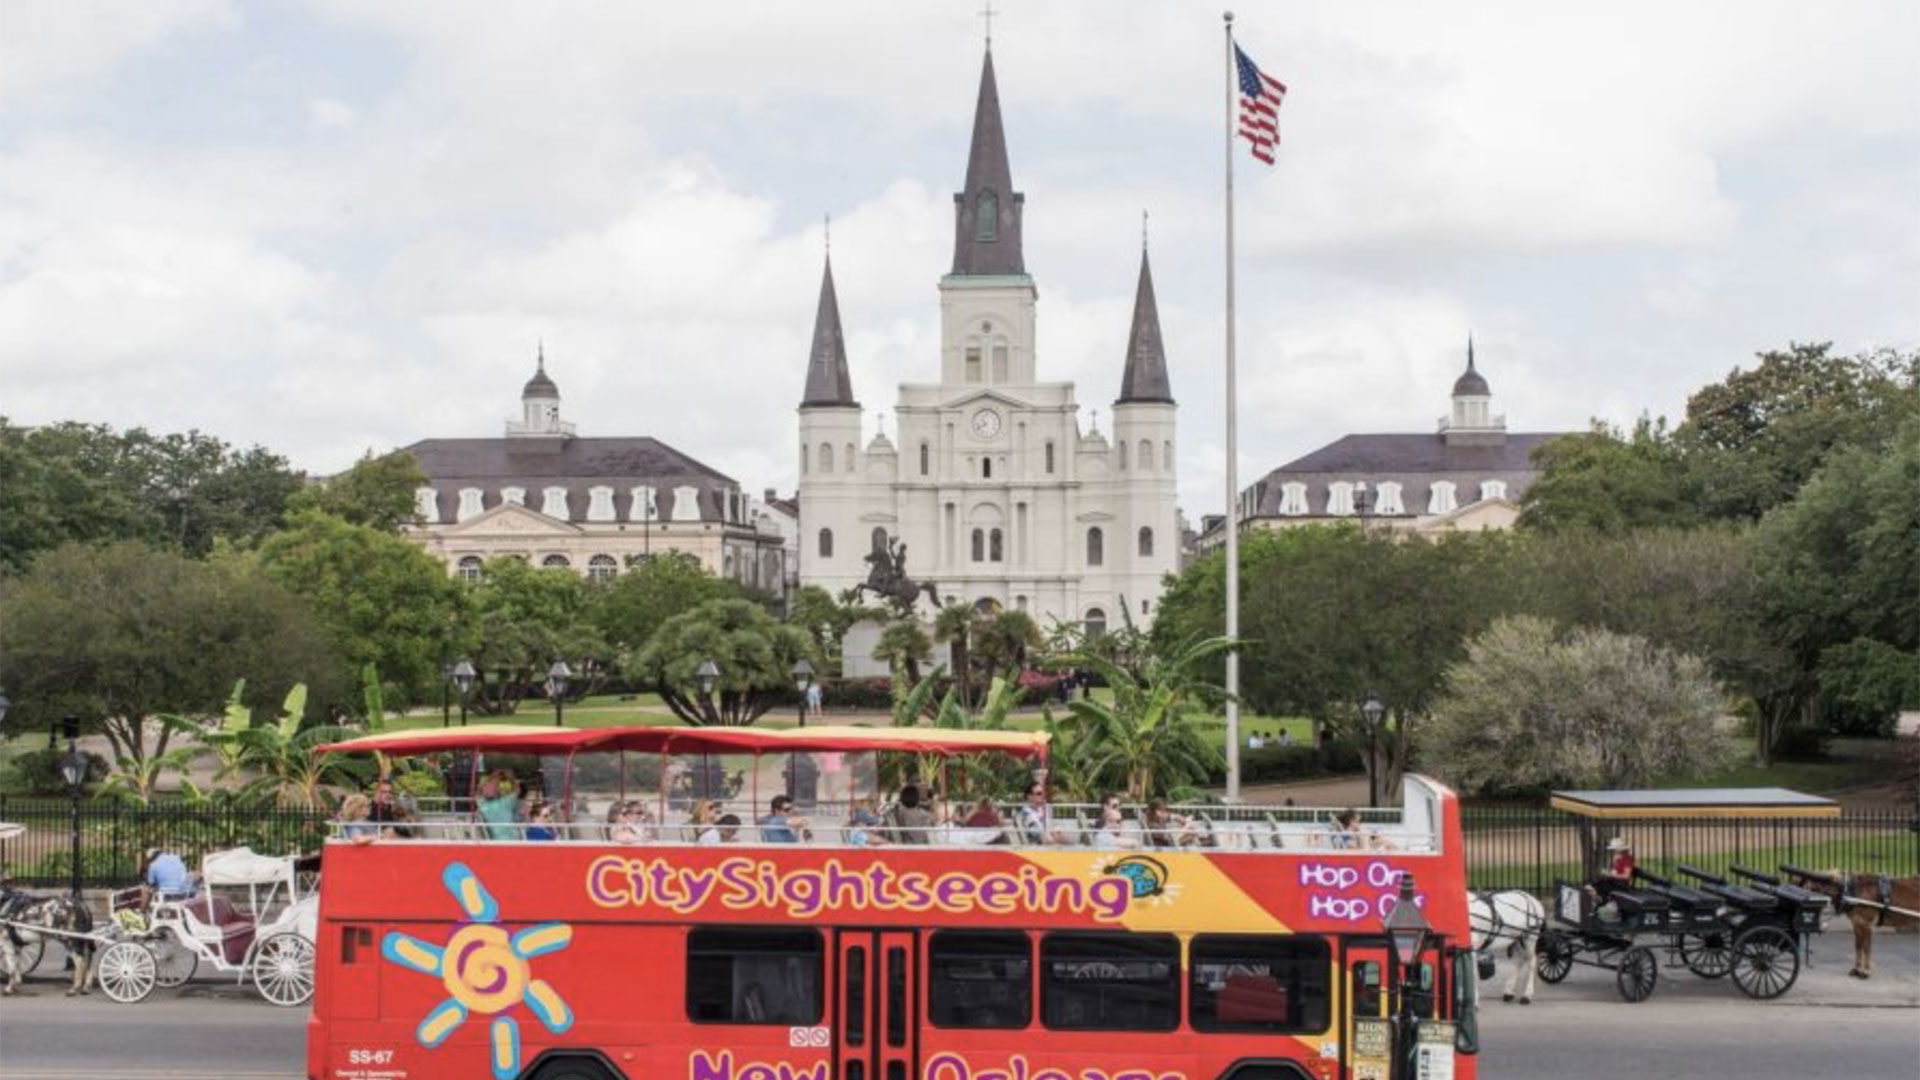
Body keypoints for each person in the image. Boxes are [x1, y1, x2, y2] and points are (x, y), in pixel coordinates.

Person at [477, 770, 519, 841]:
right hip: (513, 839)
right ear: (498, 791)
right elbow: (516, 790)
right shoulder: (506, 802)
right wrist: (511, 778)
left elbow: (478, 793)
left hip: (494, 841)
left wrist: (490, 778)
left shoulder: (482, 807)